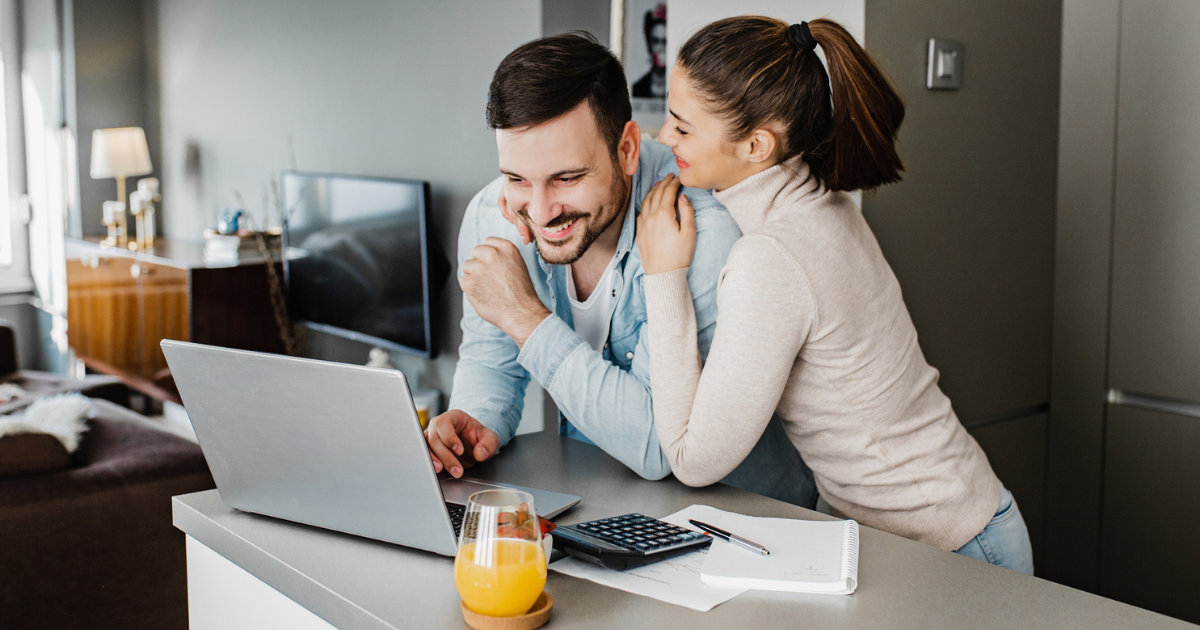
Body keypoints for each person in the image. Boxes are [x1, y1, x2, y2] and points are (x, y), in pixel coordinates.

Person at [635, 16, 1034, 574]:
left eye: (682, 126)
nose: (663, 138)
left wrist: (662, 276)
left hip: (952, 547)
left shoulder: (771, 257)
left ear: (756, 144)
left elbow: (692, 458)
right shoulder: (824, 206)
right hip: (942, 526)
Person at [424, 32, 816, 508]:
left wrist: (526, 319)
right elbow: (491, 361)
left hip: (747, 521)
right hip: (602, 504)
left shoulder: (702, 233)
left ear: (627, 148)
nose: (542, 211)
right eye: (516, 178)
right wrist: (474, 419)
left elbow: (659, 446)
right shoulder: (495, 214)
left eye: (567, 178)